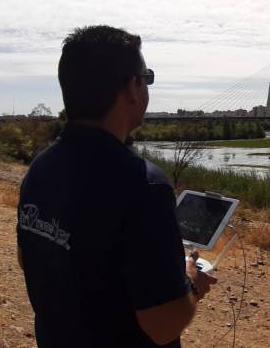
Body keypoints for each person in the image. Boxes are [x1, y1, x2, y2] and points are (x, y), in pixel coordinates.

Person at [17, 25, 215, 347]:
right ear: (133, 89)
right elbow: (163, 325)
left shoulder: (41, 167)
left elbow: (29, 258)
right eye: (146, 78)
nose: (147, 88)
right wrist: (191, 279)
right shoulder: (144, 185)